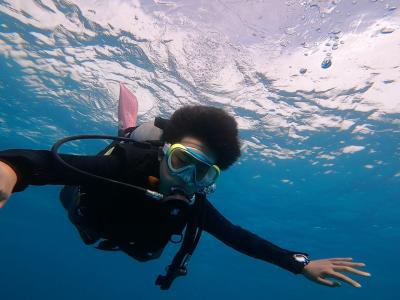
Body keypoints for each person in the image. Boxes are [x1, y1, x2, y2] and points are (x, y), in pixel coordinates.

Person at [0, 105, 370, 290]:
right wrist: (10, 170)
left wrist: (299, 263)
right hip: (85, 207)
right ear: (164, 153)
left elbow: (238, 237)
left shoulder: (194, 205)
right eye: (181, 161)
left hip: (123, 237)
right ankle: (129, 131)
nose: (187, 178)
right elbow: (50, 165)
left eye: (203, 172)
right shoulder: (126, 166)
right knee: (89, 186)